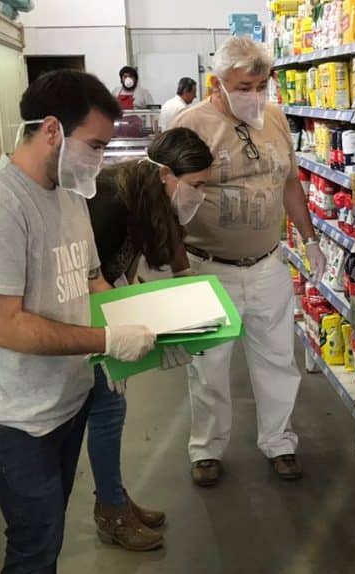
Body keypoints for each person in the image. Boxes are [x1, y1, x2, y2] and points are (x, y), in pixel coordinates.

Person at [0, 70, 162, 574]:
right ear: (50, 131)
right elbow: (4, 325)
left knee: (47, 536)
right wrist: (106, 339)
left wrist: (148, 329)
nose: (100, 158)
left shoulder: (70, 191)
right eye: (94, 144)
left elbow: (90, 281)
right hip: (11, 413)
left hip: (66, 396)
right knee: (32, 542)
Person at [172, 36, 325, 487]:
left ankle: (279, 442)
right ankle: (206, 448)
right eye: (243, 86)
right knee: (209, 367)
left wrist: (311, 240)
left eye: (261, 85)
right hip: (208, 266)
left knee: (278, 359)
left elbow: (291, 184)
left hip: (266, 264)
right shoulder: (190, 124)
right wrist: (178, 268)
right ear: (217, 85)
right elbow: (165, 201)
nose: (254, 95)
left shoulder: (274, 118)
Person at [84, 128, 213, 551]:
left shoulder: (143, 197)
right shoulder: (109, 201)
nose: (200, 195)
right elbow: (88, 277)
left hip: (103, 305)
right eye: (196, 185)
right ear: (166, 175)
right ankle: (111, 511)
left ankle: (115, 498)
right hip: (82, 315)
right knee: (106, 410)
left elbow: (127, 264)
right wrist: (125, 324)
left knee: (111, 409)